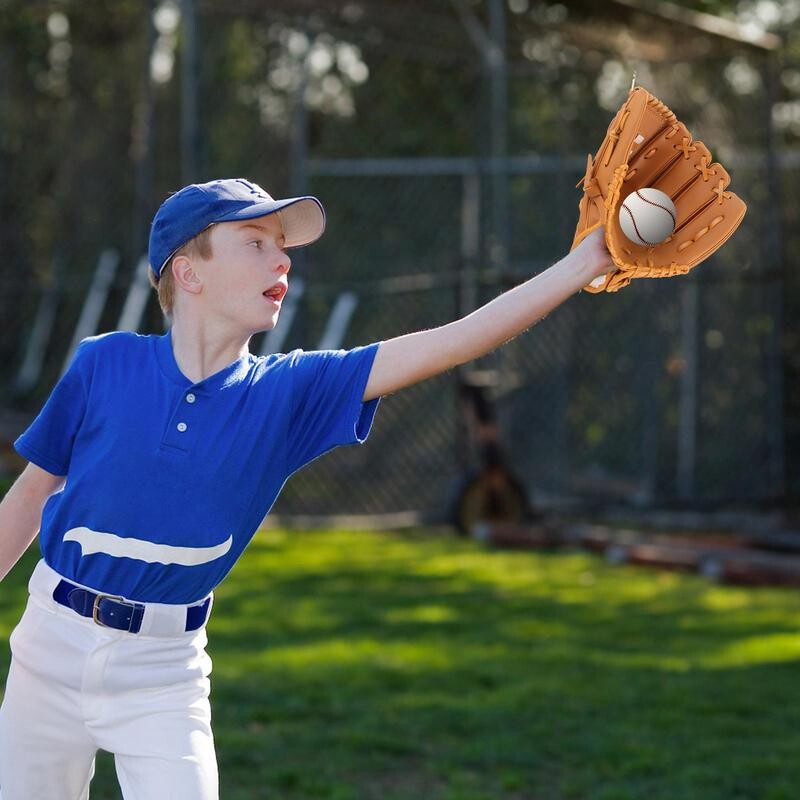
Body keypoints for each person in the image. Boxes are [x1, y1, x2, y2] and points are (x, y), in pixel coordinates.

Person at [0, 177, 612, 799]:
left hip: (162, 672)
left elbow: (455, 340)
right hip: (51, 647)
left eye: (283, 245)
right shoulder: (104, 363)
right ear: (188, 273)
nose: (283, 259)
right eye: (256, 242)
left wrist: (585, 261)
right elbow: (30, 492)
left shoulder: (289, 392)